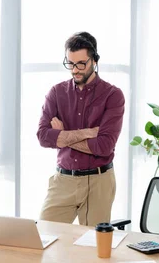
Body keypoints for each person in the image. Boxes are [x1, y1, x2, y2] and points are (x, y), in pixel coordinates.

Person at [36, 32, 125, 226]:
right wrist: (87, 133)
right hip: (63, 180)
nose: (75, 70)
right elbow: (43, 137)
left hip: (99, 182)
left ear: (94, 60)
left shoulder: (113, 95)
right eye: (70, 63)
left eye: (81, 64)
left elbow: (104, 146)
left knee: (93, 249)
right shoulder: (56, 93)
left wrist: (62, 135)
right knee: (43, 236)